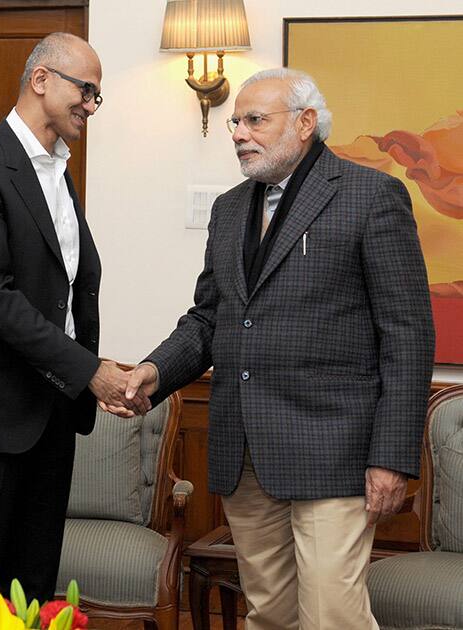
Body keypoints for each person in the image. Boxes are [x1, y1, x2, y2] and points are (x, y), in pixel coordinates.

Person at [118, 69, 435, 629]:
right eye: (236, 121)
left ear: (306, 122)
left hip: (335, 454)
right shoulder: (230, 208)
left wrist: (390, 458)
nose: (238, 132)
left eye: (254, 120)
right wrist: (155, 370)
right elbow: (211, 317)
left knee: (332, 615)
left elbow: (407, 338)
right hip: (244, 454)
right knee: (268, 614)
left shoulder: (371, 196)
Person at [0, 32, 149, 602]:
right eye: (86, 90)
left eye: (98, 96)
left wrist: (81, 377)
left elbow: (66, 288)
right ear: (41, 79)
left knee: (33, 587)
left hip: (50, 412)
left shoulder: (58, 171)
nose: (92, 106)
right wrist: (90, 370)